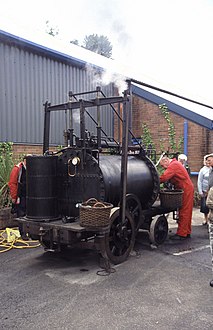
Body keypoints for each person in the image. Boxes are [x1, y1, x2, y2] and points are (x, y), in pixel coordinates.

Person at [159, 155, 194, 240]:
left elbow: (164, 177)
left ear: (166, 161)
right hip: (185, 188)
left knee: (184, 211)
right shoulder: (175, 164)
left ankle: (182, 234)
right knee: (187, 211)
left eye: (163, 166)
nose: (163, 168)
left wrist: (154, 181)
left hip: (185, 189)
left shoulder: (173, 165)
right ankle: (186, 232)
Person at [8, 155, 28, 239]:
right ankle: (22, 233)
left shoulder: (30, 169)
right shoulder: (17, 169)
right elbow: (12, 183)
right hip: (20, 196)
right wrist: (14, 196)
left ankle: (27, 232)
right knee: (21, 214)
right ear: (24, 161)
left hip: (28, 196)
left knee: (27, 214)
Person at [197, 155, 210, 225]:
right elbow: (199, 181)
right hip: (205, 191)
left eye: (209, 161)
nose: (208, 162)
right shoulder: (203, 170)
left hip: (211, 191)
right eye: (206, 160)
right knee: (205, 206)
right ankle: (205, 219)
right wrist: (200, 191)